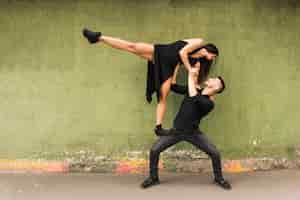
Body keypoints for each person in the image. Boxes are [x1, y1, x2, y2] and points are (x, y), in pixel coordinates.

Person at [82, 28, 219, 133]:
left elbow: (179, 63)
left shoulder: (198, 62)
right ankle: (98, 37)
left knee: (162, 97)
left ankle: (158, 127)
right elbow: (181, 53)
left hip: (169, 65)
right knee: (133, 46)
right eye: (213, 57)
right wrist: (189, 69)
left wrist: (175, 79)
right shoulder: (199, 42)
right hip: (162, 52)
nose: (212, 59)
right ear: (211, 51)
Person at [140, 64, 231, 190]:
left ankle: (219, 178)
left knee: (214, 153)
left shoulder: (209, 103)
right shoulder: (193, 89)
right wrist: (176, 67)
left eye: (215, 80)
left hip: (193, 133)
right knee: (155, 150)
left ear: (216, 87)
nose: (212, 78)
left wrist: (190, 75)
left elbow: (194, 97)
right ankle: (153, 178)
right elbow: (174, 87)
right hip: (176, 131)